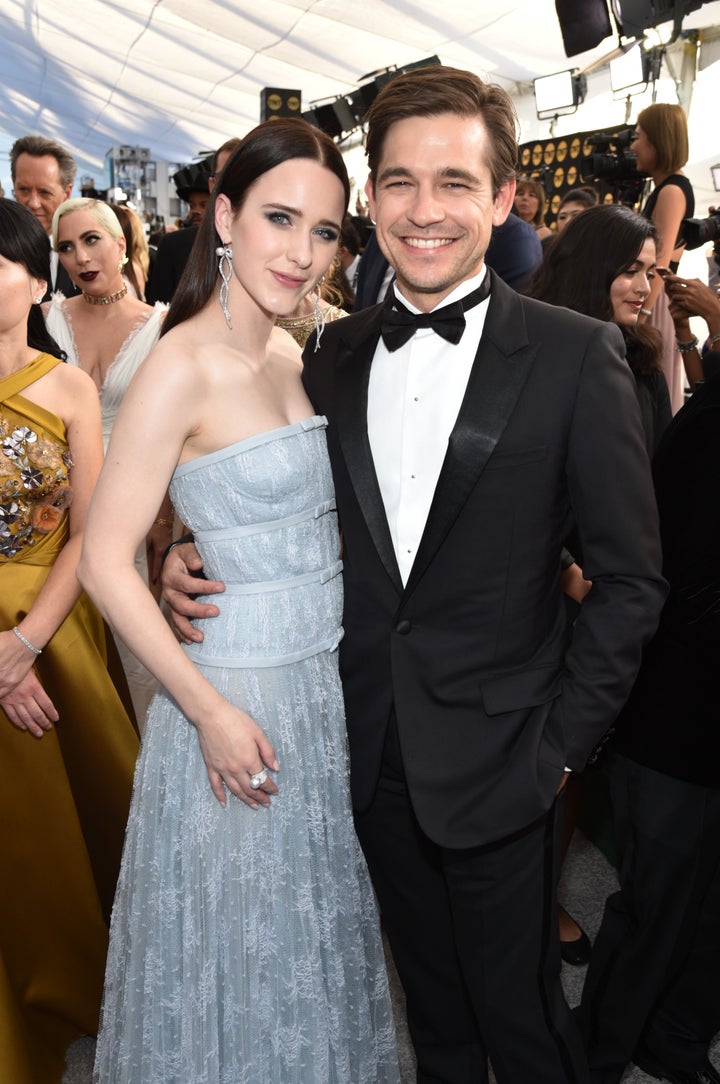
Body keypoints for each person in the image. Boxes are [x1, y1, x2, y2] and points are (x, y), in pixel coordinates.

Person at [164, 66, 667, 1084]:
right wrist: (189, 548)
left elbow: (630, 581)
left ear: (503, 198)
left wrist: (561, 750)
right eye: (398, 183)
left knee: (523, 1028)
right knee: (432, 1022)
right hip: (365, 750)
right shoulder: (334, 354)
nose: (424, 210)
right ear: (370, 204)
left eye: (452, 182)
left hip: (507, 758)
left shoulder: (576, 355)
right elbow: (285, 503)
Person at [79, 118, 400, 1084]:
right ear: (223, 218)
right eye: (278, 219)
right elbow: (101, 559)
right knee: (232, 942)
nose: (301, 253)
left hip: (312, 692)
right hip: (229, 699)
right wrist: (209, 713)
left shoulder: (297, 357)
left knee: (297, 942)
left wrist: (184, 547)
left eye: (326, 231)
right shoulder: (179, 363)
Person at [0, 198, 139, 1084]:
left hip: (56, 628)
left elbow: (92, 532)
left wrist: (22, 647)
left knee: (78, 829)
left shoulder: (69, 388)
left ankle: (77, 974)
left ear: (31, 278)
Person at [528, 202, 672, 962]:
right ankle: (517, 902)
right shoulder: (538, 351)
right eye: (630, 270)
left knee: (573, 758)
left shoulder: (644, 363)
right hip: (542, 588)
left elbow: (642, 492)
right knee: (533, 757)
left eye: (652, 271)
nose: (645, 286)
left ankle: (542, 892)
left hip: (610, 591)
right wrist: (563, 569)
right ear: (593, 269)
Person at [576, 344, 720, 1084]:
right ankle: (596, 1053)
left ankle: (677, 1039)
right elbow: (668, 584)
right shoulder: (706, 429)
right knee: (659, 901)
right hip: (673, 713)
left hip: (694, 709)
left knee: (707, 907)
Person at [43, 197, 169, 727]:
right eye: (66, 247)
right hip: (55, 512)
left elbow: (172, 433)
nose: (80, 257)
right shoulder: (43, 319)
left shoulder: (163, 327)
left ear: (121, 243)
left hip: (131, 511)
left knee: (136, 657)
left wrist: (163, 521)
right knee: (66, 654)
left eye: (91, 240)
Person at [632, 102, 694, 413]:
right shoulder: (667, 189)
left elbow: (661, 262)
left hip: (655, 307)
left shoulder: (671, 192)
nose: (634, 145)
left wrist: (640, 317)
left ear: (657, 140)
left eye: (639, 136)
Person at [147, 137, 243, 304]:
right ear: (212, 184)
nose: (233, 182)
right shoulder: (173, 246)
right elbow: (157, 317)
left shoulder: (269, 244)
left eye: (240, 174)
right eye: (224, 175)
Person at [10, 134, 80, 299]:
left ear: (67, 192)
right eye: (24, 190)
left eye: (44, 192)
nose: (34, 203)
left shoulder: (85, 251)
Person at [514, 174, 552, 239]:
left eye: (531, 195)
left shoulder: (544, 234)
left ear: (539, 204)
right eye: (520, 194)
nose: (525, 197)